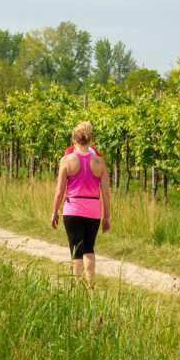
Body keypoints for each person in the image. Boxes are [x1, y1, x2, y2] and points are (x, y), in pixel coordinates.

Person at [51, 121, 111, 287]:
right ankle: (91, 285)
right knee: (89, 249)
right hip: (93, 210)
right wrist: (106, 217)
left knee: (76, 251)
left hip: (72, 209)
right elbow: (106, 193)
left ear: (74, 139)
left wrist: (55, 211)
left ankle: (76, 288)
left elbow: (59, 191)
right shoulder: (100, 163)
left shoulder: (67, 161)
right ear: (91, 139)